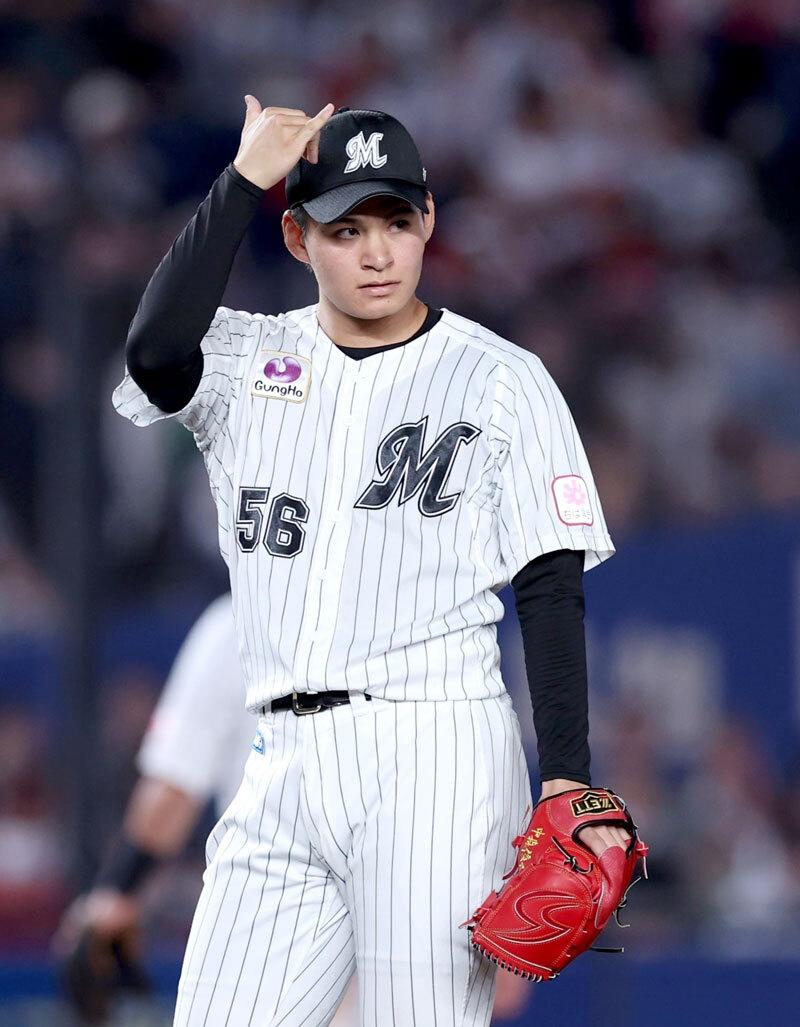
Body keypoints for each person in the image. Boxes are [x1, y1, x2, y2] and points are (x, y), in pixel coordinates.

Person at [111, 98, 631, 1027]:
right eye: (346, 229)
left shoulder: (501, 378)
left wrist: (565, 774)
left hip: (434, 745)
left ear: (428, 218)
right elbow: (155, 354)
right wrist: (241, 182)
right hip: (279, 755)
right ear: (297, 238)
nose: (377, 252)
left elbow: (550, 587)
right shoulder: (249, 358)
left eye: (395, 221)